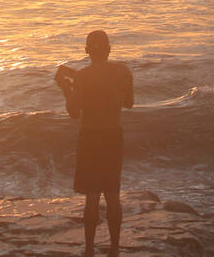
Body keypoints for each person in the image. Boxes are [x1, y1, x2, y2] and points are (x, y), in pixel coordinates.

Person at [56, 30, 134, 257]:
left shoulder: (82, 77)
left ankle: (89, 249)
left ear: (87, 51)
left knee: (91, 197)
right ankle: (114, 249)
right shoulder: (124, 72)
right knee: (112, 195)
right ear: (109, 49)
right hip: (113, 136)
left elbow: (73, 112)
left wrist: (65, 88)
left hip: (90, 138)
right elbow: (129, 103)